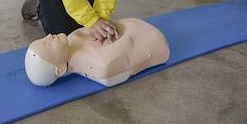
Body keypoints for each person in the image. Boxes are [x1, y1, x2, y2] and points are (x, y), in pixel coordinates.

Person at [24, 18, 170, 87]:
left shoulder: (72, 38)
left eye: (43, 39)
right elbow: (126, 46)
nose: (49, 36)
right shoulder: (101, 65)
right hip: (150, 36)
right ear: (61, 69)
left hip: (138, 27)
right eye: (47, 44)